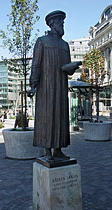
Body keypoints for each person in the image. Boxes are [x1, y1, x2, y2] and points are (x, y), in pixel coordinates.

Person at [27, 10, 81, 161]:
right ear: (52, 24)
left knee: (60, 116)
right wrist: (33, 84)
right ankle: (47, 150)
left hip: (61, 86)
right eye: (60, 23)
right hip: (46, 87)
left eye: (63, 23)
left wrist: (73, 67)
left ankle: (58, 150)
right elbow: (36, 64)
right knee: (47, 116)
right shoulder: (42, 41)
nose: (62, 26)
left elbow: (67, 69)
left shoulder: (65, 45)